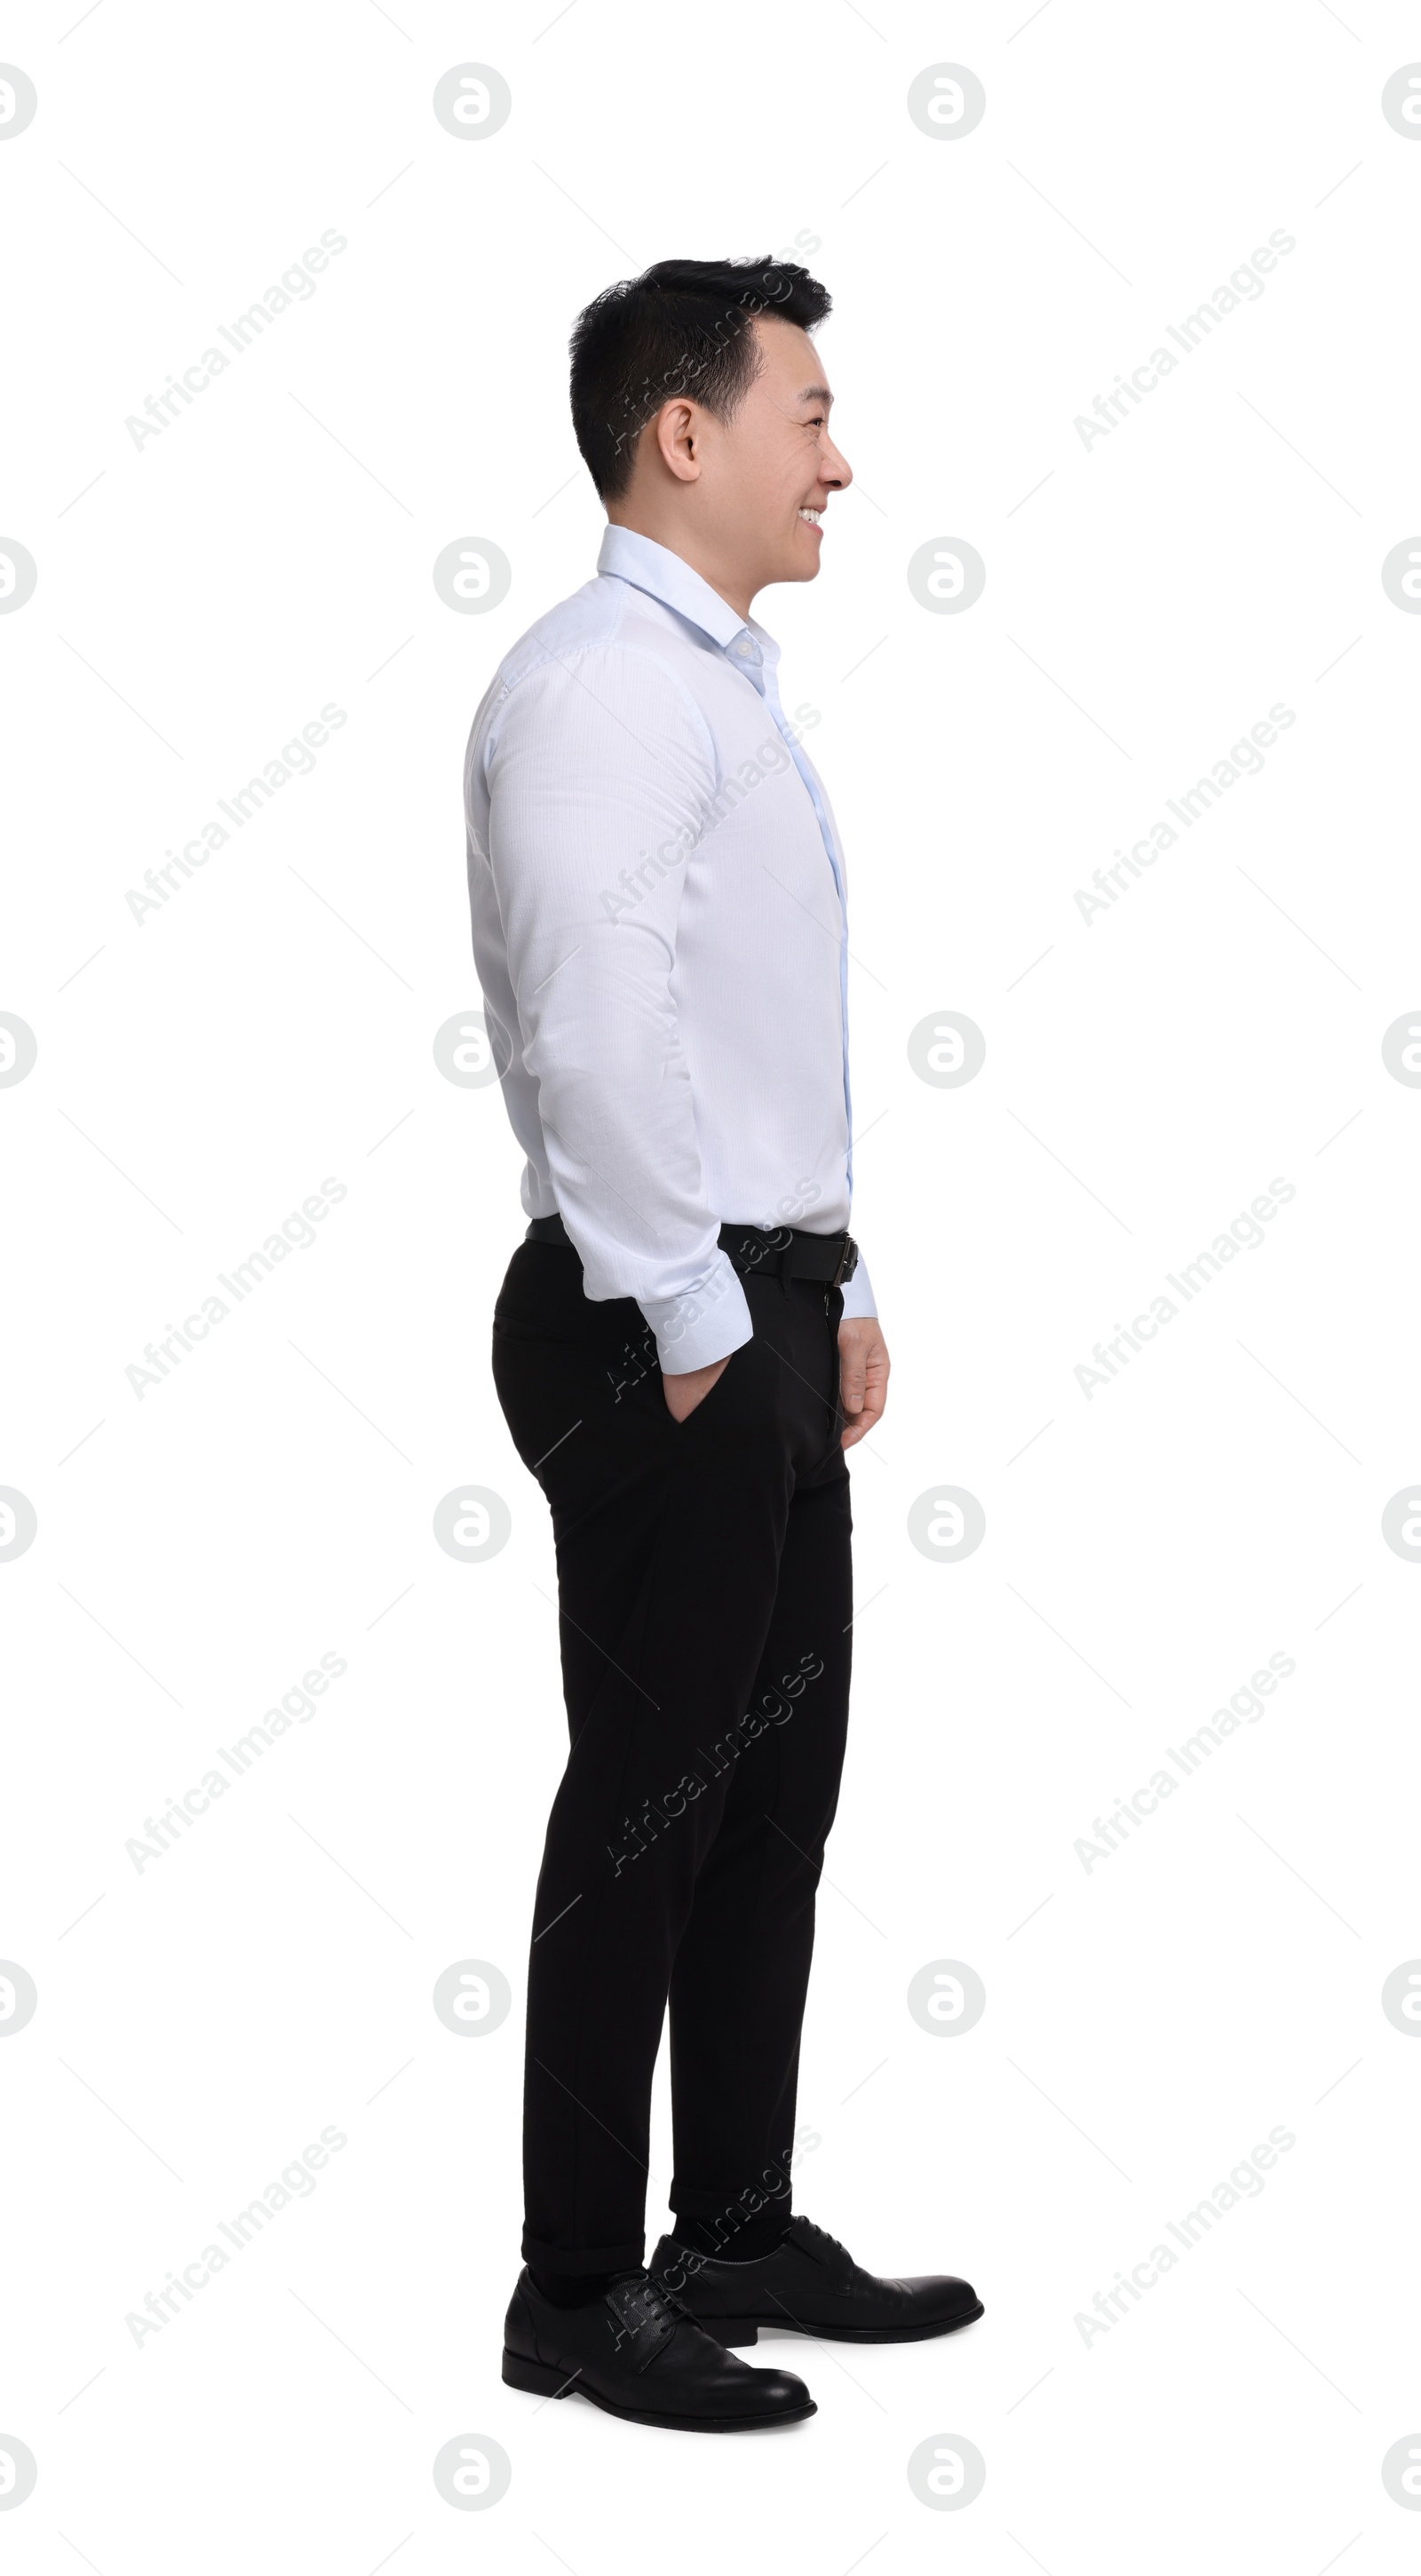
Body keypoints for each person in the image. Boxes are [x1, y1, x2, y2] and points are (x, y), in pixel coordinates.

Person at [464, 255, 982, 2434]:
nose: (837, 454)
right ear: (682, 430)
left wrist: (828, 1278)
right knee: (647, 1807)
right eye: (806, 410)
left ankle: (734, 2223)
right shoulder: (604, 679)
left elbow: (735, 1020)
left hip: (744, 1295)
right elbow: (594, 1016)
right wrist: (696, 1313)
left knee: (768, 1796)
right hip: (642, 1308)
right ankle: (575, 2288)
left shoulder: (720, 684)